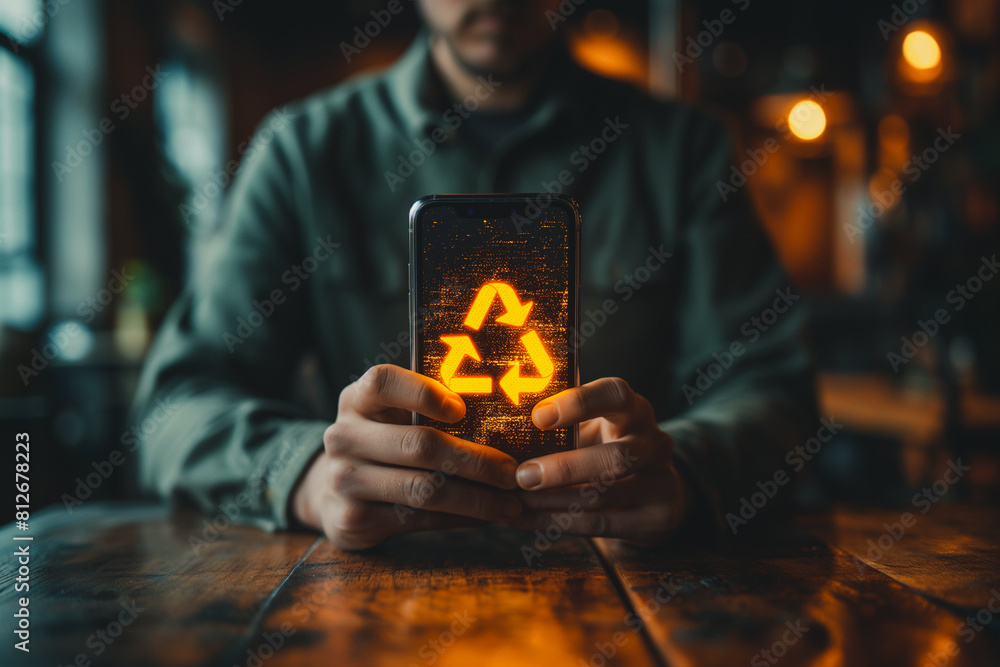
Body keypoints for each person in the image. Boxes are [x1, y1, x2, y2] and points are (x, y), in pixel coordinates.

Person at [131, 0, 817, 550]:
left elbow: (774, 387)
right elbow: (175, 404)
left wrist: (684, 471)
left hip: (626, 580)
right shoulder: (303, 151)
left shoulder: (683, 151)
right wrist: (307, 474)